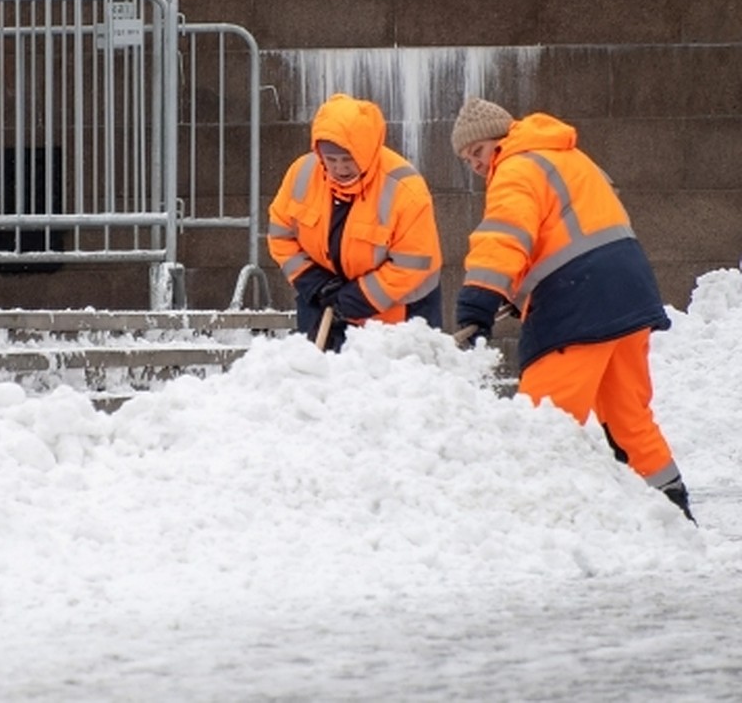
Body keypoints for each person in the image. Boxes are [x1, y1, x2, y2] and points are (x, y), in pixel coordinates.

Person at [450, 96, 694, 522]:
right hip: (629, 293)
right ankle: (672, 515)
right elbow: (566, 230)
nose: (474, 164)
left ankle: (531, 522)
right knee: (628, 416)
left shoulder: (516, 166)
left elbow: (504, 235)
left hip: (579, 305)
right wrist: (519, 292)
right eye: (466, 158)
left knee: (542, 421)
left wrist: (478, 301)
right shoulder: (567, 157)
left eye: (478, 151)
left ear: (499, 140)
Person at [267, 92, 443, 352]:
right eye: (331, 159)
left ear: (365, 152)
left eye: (348, 159)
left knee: (390, 389)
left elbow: (413, 262)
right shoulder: (302, 174)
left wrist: (353, 298)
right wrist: (314, 283)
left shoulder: (404, 190)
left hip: (396, 314)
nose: (339, 168)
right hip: (322, 301)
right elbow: (281, 235)